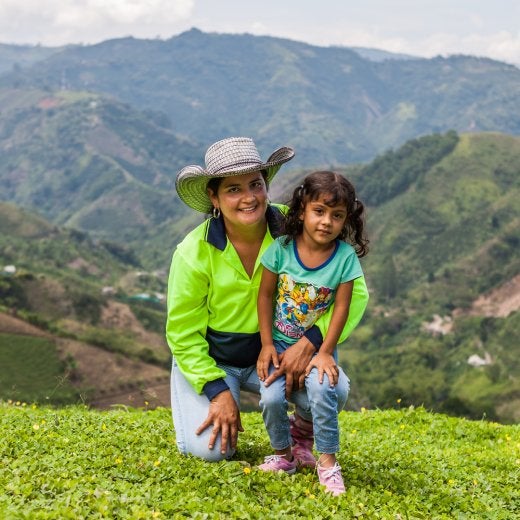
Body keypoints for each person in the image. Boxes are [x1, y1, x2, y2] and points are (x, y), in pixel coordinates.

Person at [166, 137, 369, 464]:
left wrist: (310, 341)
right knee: (211, 451)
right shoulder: (193, 253)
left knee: (335, 388)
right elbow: (182, 333)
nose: (248, 198)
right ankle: (205, 393)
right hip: (216, 359)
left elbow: (355, 291)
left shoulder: (295, 228)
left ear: (266, 187)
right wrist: (217, 392)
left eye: (255, 185)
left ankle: (298, 431)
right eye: (233, 189)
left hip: (278, 353)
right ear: (213, 197)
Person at [256, 170, 369, 496]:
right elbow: (264, 296)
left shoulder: (344, 258)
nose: (326, 222)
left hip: (320, 350)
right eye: (319, 211)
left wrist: (323, 351)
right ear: (302, 209)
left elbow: (342, 310)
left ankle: (328, 462)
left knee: (324, 392)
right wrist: (266, 344)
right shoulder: (281, 249)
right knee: (271, 397)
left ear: (346, 219)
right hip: (277, 345)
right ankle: (283, 455)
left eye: (337, 215)